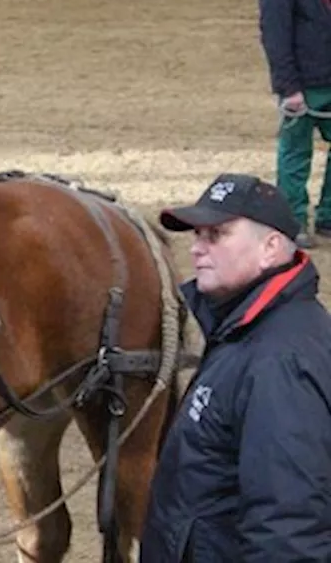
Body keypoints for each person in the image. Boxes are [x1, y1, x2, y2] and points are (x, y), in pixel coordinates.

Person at [139, 172, 331, 562]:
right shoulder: (240, 331)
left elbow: (289, 526)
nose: (196, 249)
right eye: (196, 235)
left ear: (270, 248)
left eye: (217, 235)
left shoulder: (281, 362)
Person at [259, 0, 331, 247]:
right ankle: (293, 220)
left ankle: (329, 216)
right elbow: (275, 34)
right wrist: (289, 88)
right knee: (295, 154)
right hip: (304, 80)